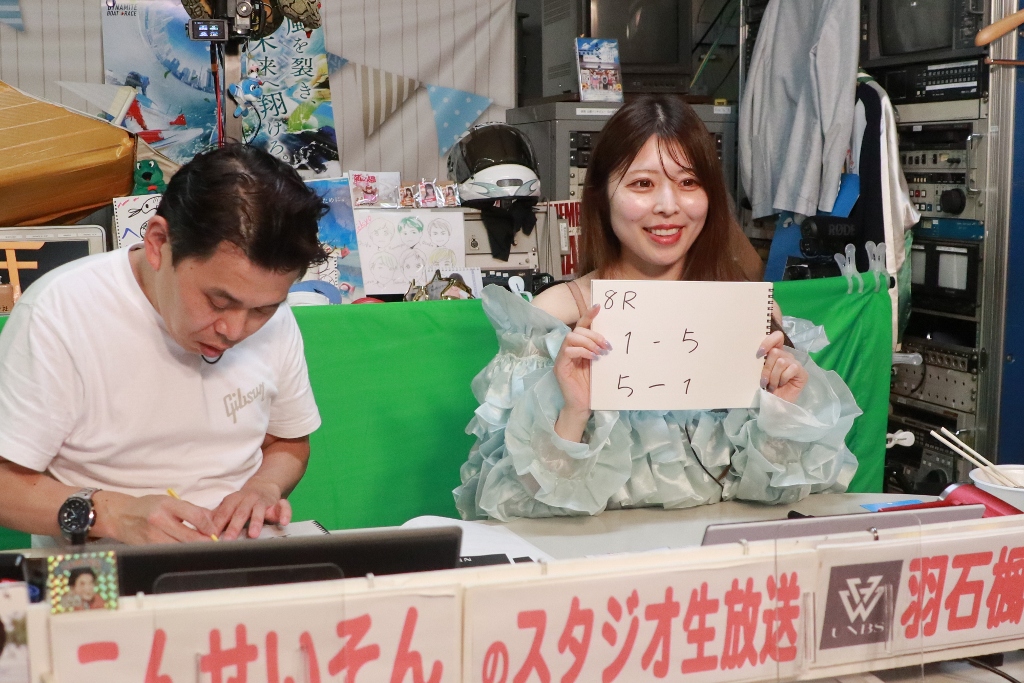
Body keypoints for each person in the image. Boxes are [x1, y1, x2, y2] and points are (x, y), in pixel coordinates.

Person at [454, 96, 861, 521]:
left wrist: (783, 413)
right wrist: (574, 411)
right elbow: (515, 504)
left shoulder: (750, 313)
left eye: (688, 182)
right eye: (643, 184)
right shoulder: (552, 319)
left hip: (720, 552)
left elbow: (781, 497)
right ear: (601, 195)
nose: (668, 205)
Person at [0, 144, 328, 545]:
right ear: (158, 242)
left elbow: (288, 442)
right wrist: (112, 514)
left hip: (236, 557)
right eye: (218, 301)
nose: (235, 330)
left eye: (262, 309)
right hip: (102, 568)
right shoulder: (60, 311)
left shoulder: (273, 317)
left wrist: (263, 488)